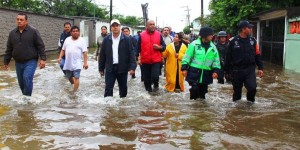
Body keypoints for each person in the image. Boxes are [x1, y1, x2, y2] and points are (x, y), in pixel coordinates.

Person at [4, 12, 47, 96]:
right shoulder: (12, 33)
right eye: (18, 19)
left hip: (30, 61)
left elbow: (40, 45)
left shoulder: (33, 31)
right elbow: (9, 48)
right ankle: (25, 97)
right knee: (21, 83)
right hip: (18, 62)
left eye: (21, 20)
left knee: (27, 78)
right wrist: (6, 61)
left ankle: (27, 100)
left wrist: (43, 59)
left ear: (26, 21)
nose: (19, 21)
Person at [224, 20, 263, 102]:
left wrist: (260, 68)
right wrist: (226, 72)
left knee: (252, 88)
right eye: (249, 28)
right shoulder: (233, 41)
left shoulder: (253, 41)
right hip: (237, 71)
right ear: (243, 29)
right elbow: (228, 57)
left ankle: (250, 105)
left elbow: (257, 55)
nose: (251, 29)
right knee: (237, 93)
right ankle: (236, 111)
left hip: (250, 70)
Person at [99, 19, 136, 98]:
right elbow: (102, 55)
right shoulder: (106, 39)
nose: (115, 27)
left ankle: (122, 107)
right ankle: (108, 107)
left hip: (122, 67)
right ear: (111, 28)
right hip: (110, 68)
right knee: (108, 88)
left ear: (120, 27)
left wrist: (132, 67)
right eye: (113, 26)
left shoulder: (126, 39)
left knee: (123, 89)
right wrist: (101, 68)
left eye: (117, 26)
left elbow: (131, 54)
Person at [181, 27, 221, 100]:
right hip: (194, 73)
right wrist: (184, 68)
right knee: (194, 89)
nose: (212, 36)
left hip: (206, 74)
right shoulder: (194, 44)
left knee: (202, 95)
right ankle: (193, 109)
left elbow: (216, 61)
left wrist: (216, 71)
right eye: (210, 35)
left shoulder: (213, 48)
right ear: (204, 35)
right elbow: (187, 57)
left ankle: (201, 110)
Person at [137, 20, 166, 93]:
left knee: (155, 76)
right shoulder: (141, 35)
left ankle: (156, 86)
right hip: (145, 61)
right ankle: (149, 95)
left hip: (156, 61)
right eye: (151, 24)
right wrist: (137, 58)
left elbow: (164, 47)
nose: (152, 26)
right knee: (146, 80)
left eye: (153, 24)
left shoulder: (158, 34)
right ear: (147, 26)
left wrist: (159, 47)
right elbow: (137, 48)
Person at [58, 26, 88, 92]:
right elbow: (63, 50)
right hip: (68, 62)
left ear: (79, 32)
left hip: (77, 62)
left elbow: (85, 52)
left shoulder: (82, 40)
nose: (75, 32)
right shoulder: (67, 39)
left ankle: (75, 92)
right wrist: (60, 57)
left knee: (77, 76)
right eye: (73, 31)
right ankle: (74, 84)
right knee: (69, 76)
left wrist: (85, 63)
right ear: (71, 32)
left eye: (77, 31)